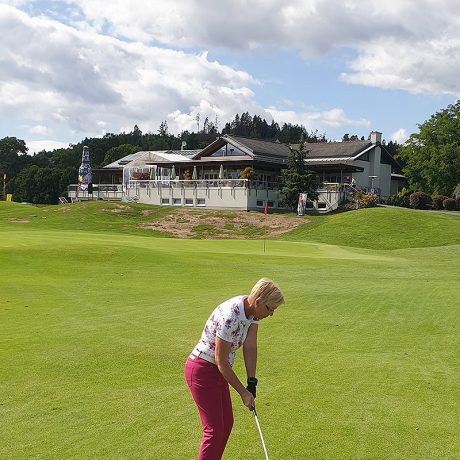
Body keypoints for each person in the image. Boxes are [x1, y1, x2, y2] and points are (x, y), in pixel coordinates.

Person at [184, 278, 285, 460]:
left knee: (226, 424)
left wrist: (251, 382)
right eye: (270, 309)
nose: (271, 314)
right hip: (202, 369)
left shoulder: (253, 313)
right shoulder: (230, 316)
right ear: (258, 302)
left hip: (217, 370)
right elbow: (221, 361)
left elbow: (250, 346)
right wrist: (243, 393)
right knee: (214, 430)